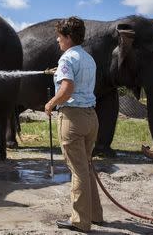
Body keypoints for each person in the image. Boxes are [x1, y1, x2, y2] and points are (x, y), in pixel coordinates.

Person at [44, 16, 103, 232]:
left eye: (60, 37)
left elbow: (67, 88)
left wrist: (51, 103)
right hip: (90, 118)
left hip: (73, 118)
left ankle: (80, 221)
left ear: (68, 37)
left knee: (78, 171)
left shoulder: (66, 59)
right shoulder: (88, 58)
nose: (58, 41)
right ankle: (95, 214)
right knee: (86, 168)